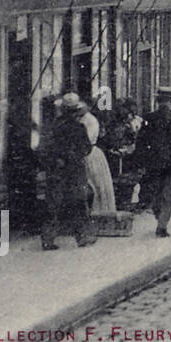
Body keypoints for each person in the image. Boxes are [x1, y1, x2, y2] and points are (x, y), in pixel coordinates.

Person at [134, 88, 171, 238]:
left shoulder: (149, 118)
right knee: (169, 193)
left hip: (156, 163)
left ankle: (160, 219)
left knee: (157, 192)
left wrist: (140, 161)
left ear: (157, 101)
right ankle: (162, 223)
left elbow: (141, 142)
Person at [40, 93, 96, 250]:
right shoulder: (79, 128)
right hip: (75, 170)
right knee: (79, 203)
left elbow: (45, 148)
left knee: (53, 204)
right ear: (76, 111)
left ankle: (47, 239)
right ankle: (82, 237)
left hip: (56, 170)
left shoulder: (53, 126)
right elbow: (86, 148)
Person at [81, 105, 116, 216]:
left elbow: (88, 140)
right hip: (83, 154)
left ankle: (98, 212)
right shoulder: (78, 120)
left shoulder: (90, 120)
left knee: (96, 185)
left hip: (90, 154)